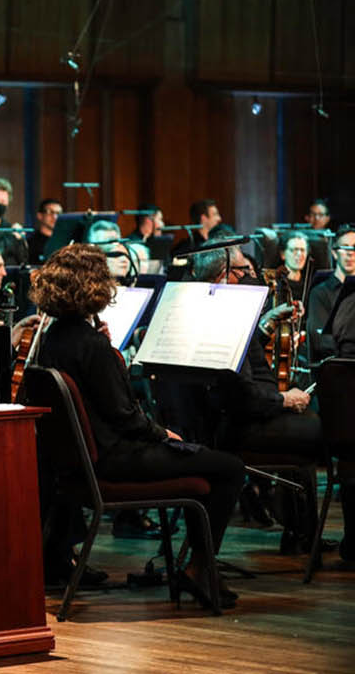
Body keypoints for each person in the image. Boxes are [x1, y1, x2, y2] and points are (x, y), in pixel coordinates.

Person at [31, 244, 245, 608]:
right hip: (115, 460)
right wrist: (163, 434)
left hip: (77, 466)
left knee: (205, 463)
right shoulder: (93, 346)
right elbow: (124, 416)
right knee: (229, 467)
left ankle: (199, 567)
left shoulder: (54, 339)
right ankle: (198, 568)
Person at [191, 240, 330, 556]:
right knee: (325, 430)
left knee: (310, 429)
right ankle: (304, 531)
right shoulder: (224, 319)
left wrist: (268, 323)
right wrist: (285, 400)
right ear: (225, 275)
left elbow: (246, 361)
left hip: (236, 417)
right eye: (245, 270)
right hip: (240, 425)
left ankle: (301, 531)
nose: (252, 277)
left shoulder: (216, 310)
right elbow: (244, 398)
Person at [307, 226, 355, 364]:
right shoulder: (320, 293)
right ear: (334, 253)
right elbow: (321, 341)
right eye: (344, 247)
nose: (350, 253)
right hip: (339, 365)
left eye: (354, 247)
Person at [279, 231, 311, 307]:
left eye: (302, 250)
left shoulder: (311, 283)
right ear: (283, 254)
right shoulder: (276, 284)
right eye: (294, 250)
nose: (299, 254)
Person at [28, 198, 63, 264]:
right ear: (40, 215)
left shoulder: (64, 242)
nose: (55, 217)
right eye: (50, 212)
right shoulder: (31, 243)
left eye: (58, 213)